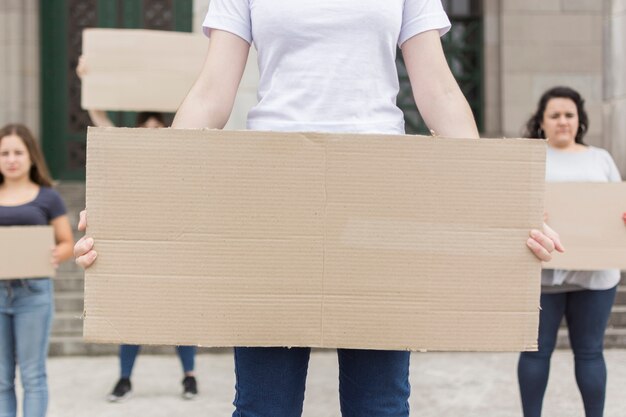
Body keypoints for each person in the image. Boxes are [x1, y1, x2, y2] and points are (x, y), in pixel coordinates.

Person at [75, 1, 563, 416]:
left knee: (381, 403)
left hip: (379, 190)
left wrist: (499, 200)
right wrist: (138, 201)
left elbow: (438, 90)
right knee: (264, 404)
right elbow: (210, 95)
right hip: (271, 191)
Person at [74, 60, 200, 401]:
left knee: (180, 315)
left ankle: (189, 376)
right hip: (138, 249)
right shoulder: (128, 158)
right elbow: (101, 122)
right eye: (146, 129)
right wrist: (91, 81)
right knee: (130, 314)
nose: (152, 135)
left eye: (159, 129)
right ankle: (125, 379)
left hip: (174, 247)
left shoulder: (180, 161)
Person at [517, 86, 622, 417]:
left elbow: (617, 206)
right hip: (541, 275)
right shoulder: (528, 157)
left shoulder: (600, 158)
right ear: (542, 122)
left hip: (595, 276)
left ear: (580, 120)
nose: (563, 121)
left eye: (569, 115)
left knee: (590, 353)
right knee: (535, 353)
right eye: (555, 115)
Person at [0, 124, 74, 417]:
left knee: (33, 376)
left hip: (33, 294)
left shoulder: (48, 197)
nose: (11, 159)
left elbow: (67, 243)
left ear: (31, 156)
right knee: (2, 379)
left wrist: (54, 253)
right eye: (4, 153)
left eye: (18, 152)